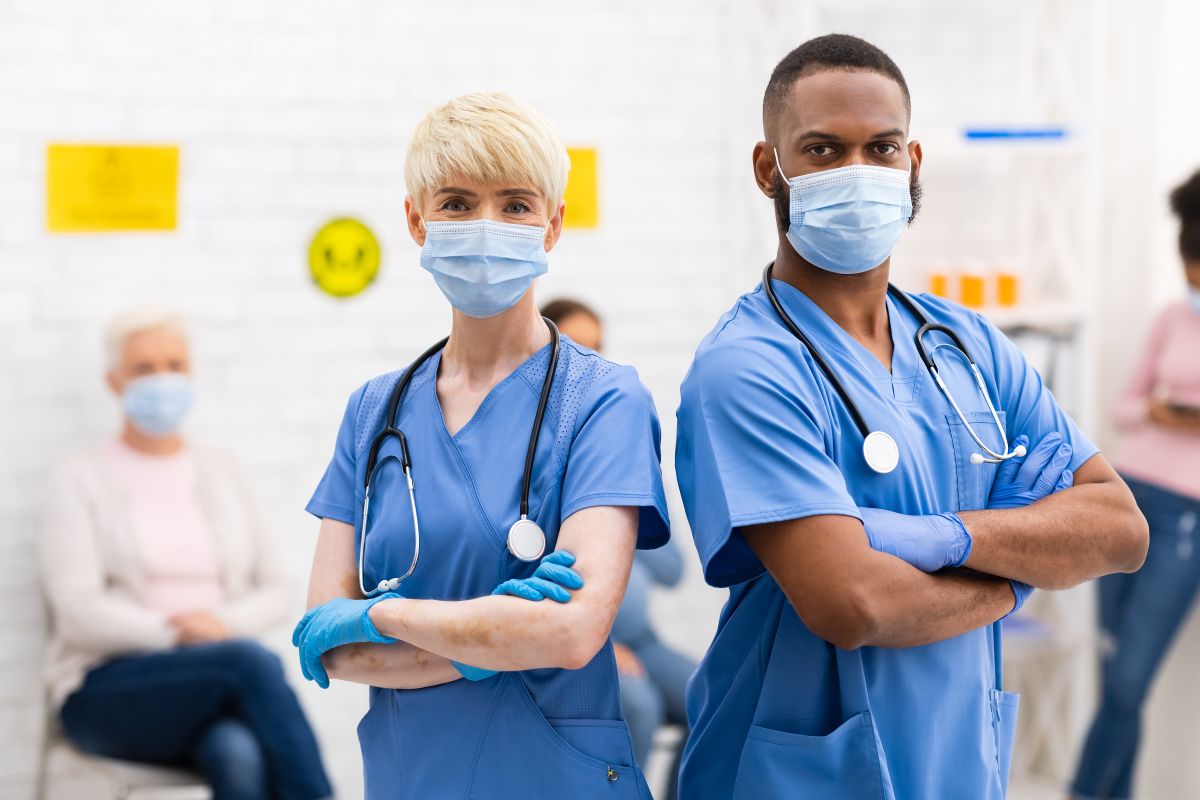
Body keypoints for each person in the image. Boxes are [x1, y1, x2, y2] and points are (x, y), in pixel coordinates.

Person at [673, 34, 1149, 799]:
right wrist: (1013, 579)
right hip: (792, 773)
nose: (857, 173)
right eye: (823, 150)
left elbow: (1121, 530)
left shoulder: (964, 345)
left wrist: (947, 536)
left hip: (955, 761)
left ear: (913, 162)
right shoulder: (748, 367)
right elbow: (855, 603)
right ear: (771, 169)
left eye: (881, 148)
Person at [294, 92, 670, 799]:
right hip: (410, 778)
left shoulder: (604, 402)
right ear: (416, 219)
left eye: (517, 204)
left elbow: (570, 633)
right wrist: (494, 631)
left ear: (553, 225)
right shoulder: (376, 412)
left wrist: (381, 615)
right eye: (458, 203)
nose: (487, 225)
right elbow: (329, 642)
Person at [40, 307, 332, 800]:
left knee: (234, 750)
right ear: (114, 382)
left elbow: (278, 589)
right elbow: (77, 612)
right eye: (143, 368)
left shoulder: (223, 471)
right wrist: (176, 633)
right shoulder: (78, 478)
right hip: (106, 688)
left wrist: (220, 625)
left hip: (214, 680)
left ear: (192, 373)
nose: (162, 380)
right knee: (248, 662)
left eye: (174, 365)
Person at [1070, 171, 1200, 799]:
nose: (1190, 281)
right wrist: (1161, 413)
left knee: (1128, 682)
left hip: (1185, 519)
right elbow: (1122, 408)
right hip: (1125, 499)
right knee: (1110, 665)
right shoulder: (1171, 318)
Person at [542, 298, 695, 799]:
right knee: (641, 705)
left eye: (598, 347)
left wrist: (621, 512)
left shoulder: (622, 441)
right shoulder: (539, 455)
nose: (592, 360)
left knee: (714, 697)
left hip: (642, 637)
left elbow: (672, 568)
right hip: (585, 644)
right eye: (576, 347)